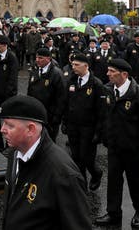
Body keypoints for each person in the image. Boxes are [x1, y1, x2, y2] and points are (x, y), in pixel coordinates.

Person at [0, 95, 92, 230]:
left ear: (30, 129)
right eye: (3, 123)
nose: (2, 129)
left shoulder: (62, 173)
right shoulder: (15, 152)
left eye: (10, 125)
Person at [94, 59, 139, 228]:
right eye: (107, 70)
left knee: (135, 183)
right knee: (113, 182)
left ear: (124, 74)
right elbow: (103, 116)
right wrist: (102, 136)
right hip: (114, 147)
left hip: (133, 149)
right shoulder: (107, 90)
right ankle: (113, 213)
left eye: (111, 71)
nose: (107, 74)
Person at [62, 53, 106, 191]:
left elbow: (101, 110)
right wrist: (65, 122)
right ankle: (82, 187)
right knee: (76, 157)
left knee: (86, 158)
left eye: (76, 65)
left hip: (89, 128)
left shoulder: (96, 84)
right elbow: (66, 103)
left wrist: (99, 132)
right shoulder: (71, 81)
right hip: (73, 126)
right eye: (72, 65)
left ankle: (96, 173)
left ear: (86, 66)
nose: (73, 67)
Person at [27, 47, 65, 141]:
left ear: (48, 59)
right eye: (36, 57)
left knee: (48, 142)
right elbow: (30, 90)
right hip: (35, 114)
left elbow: (61, 97)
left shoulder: (57, 74)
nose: (37, 60)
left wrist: (57, 116)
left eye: (40, 58)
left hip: (50, 116)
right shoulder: (35, 71)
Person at [0, 35, 19, 150]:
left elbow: (12, 79)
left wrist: (8, 95)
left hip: (7, 95)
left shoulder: (12, 58)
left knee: (8, 120)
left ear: (4, 45)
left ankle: (9, 144)